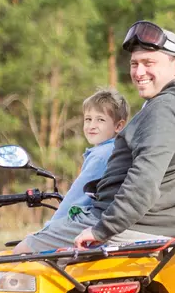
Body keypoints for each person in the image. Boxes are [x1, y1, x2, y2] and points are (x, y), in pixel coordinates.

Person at [15, 21, 175, 254]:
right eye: (134, 64)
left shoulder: (164, 108)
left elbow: (144, 181)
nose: (139, 72)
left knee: (21, 255)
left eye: (149, 63)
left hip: (129, 227)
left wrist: (103, 229)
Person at [44, 88, 129, 226]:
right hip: (113, 220)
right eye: (88, 119)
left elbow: (76, 198)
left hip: (97, 222)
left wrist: (50, 227)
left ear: (119, 125)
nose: (92, 126)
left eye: (100, 120)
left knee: (26, 246)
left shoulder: (101, 156)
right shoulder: (118, 148)